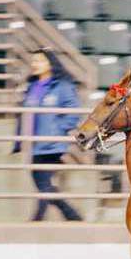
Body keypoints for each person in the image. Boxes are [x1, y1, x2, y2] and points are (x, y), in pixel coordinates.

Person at [13, 47, 83, 221]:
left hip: (51, 144)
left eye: (40, 60)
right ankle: (72, 216)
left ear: (50, 63)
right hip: (33, 143)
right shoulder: (31, 86)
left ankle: (37, 220)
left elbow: (73, 112)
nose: (35, 64)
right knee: (43, 184)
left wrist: (57, 129)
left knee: (43, 183)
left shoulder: (63, 86)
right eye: (34, 61)